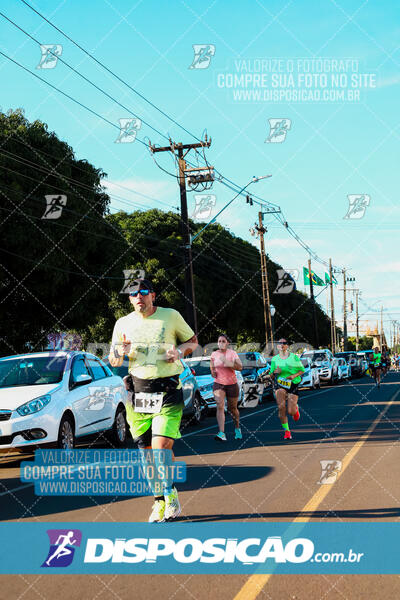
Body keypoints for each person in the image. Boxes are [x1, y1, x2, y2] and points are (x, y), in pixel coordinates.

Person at [109, 278, 198, 523]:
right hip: (138, 394)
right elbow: (113, 360)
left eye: (143, 292)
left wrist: (179, 352)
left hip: (167, 390)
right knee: (146, 455)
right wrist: (121, 352)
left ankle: (171, 497)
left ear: (153, 295)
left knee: (160, 449)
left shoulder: (170, 315)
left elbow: (193, 341)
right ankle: (158, 501)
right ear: (129, 299)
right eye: (133, 294)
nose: (139, 296)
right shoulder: (122, 323)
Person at [265, 338, 305, 440]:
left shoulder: (294, 357)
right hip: (280, 384)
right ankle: (287, 431)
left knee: (290, 411)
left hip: (292, 384)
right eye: (280, 343)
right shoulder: (275, 359)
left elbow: (302, 370)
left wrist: (293, 376)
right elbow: (271, 375)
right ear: (278, 346)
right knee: (281, 408)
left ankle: (295, 410)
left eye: (284, 343)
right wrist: (274, 373)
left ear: (287, 346)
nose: (282, 345)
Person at [210, 334, 243, 441]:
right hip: (219, 384)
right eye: (219, 341)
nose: (221, 343)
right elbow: (212, 367)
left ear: (227, 343)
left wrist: (227, 362)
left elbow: (240, 367)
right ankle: (221, 433)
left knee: (232, 409)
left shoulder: (232, 354)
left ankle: (237, 428)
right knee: (220, 405)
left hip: (232, 384)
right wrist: (213, 372)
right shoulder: (214, 354)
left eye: (223, 341)